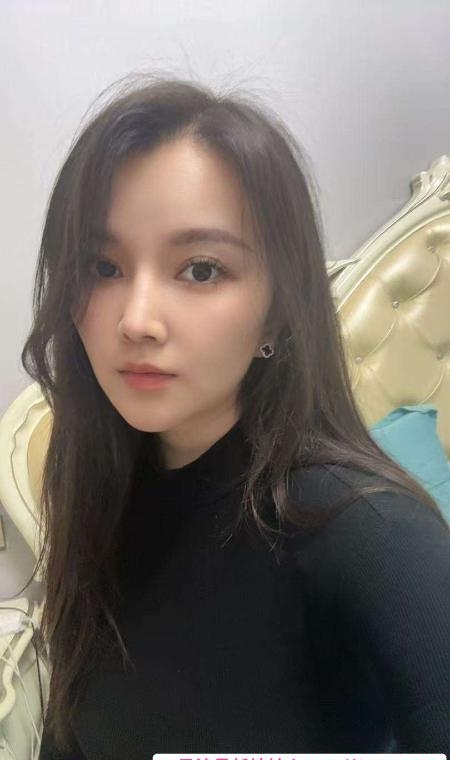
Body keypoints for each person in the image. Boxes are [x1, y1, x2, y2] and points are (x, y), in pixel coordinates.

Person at [18, 73, 449, 758]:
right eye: (102, 266)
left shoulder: (365, 528)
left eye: (200, 270)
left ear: (277, 310)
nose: (136, 320)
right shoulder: (96, 490)